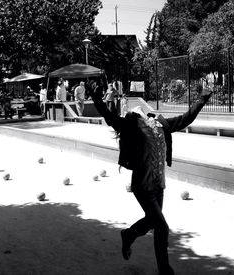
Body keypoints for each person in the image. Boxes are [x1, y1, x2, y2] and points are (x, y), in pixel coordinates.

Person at [90, 88, 213, 275]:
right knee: (162, 227)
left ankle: (129, 234)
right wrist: (96, 97)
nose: (139, 109)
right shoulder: (131, 126)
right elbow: (109, 116)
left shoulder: (161, 125)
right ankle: (164, 269)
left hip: (159, 184)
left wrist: (202, 99)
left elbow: (186, 118)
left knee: (153, 223)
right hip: (142, 185)